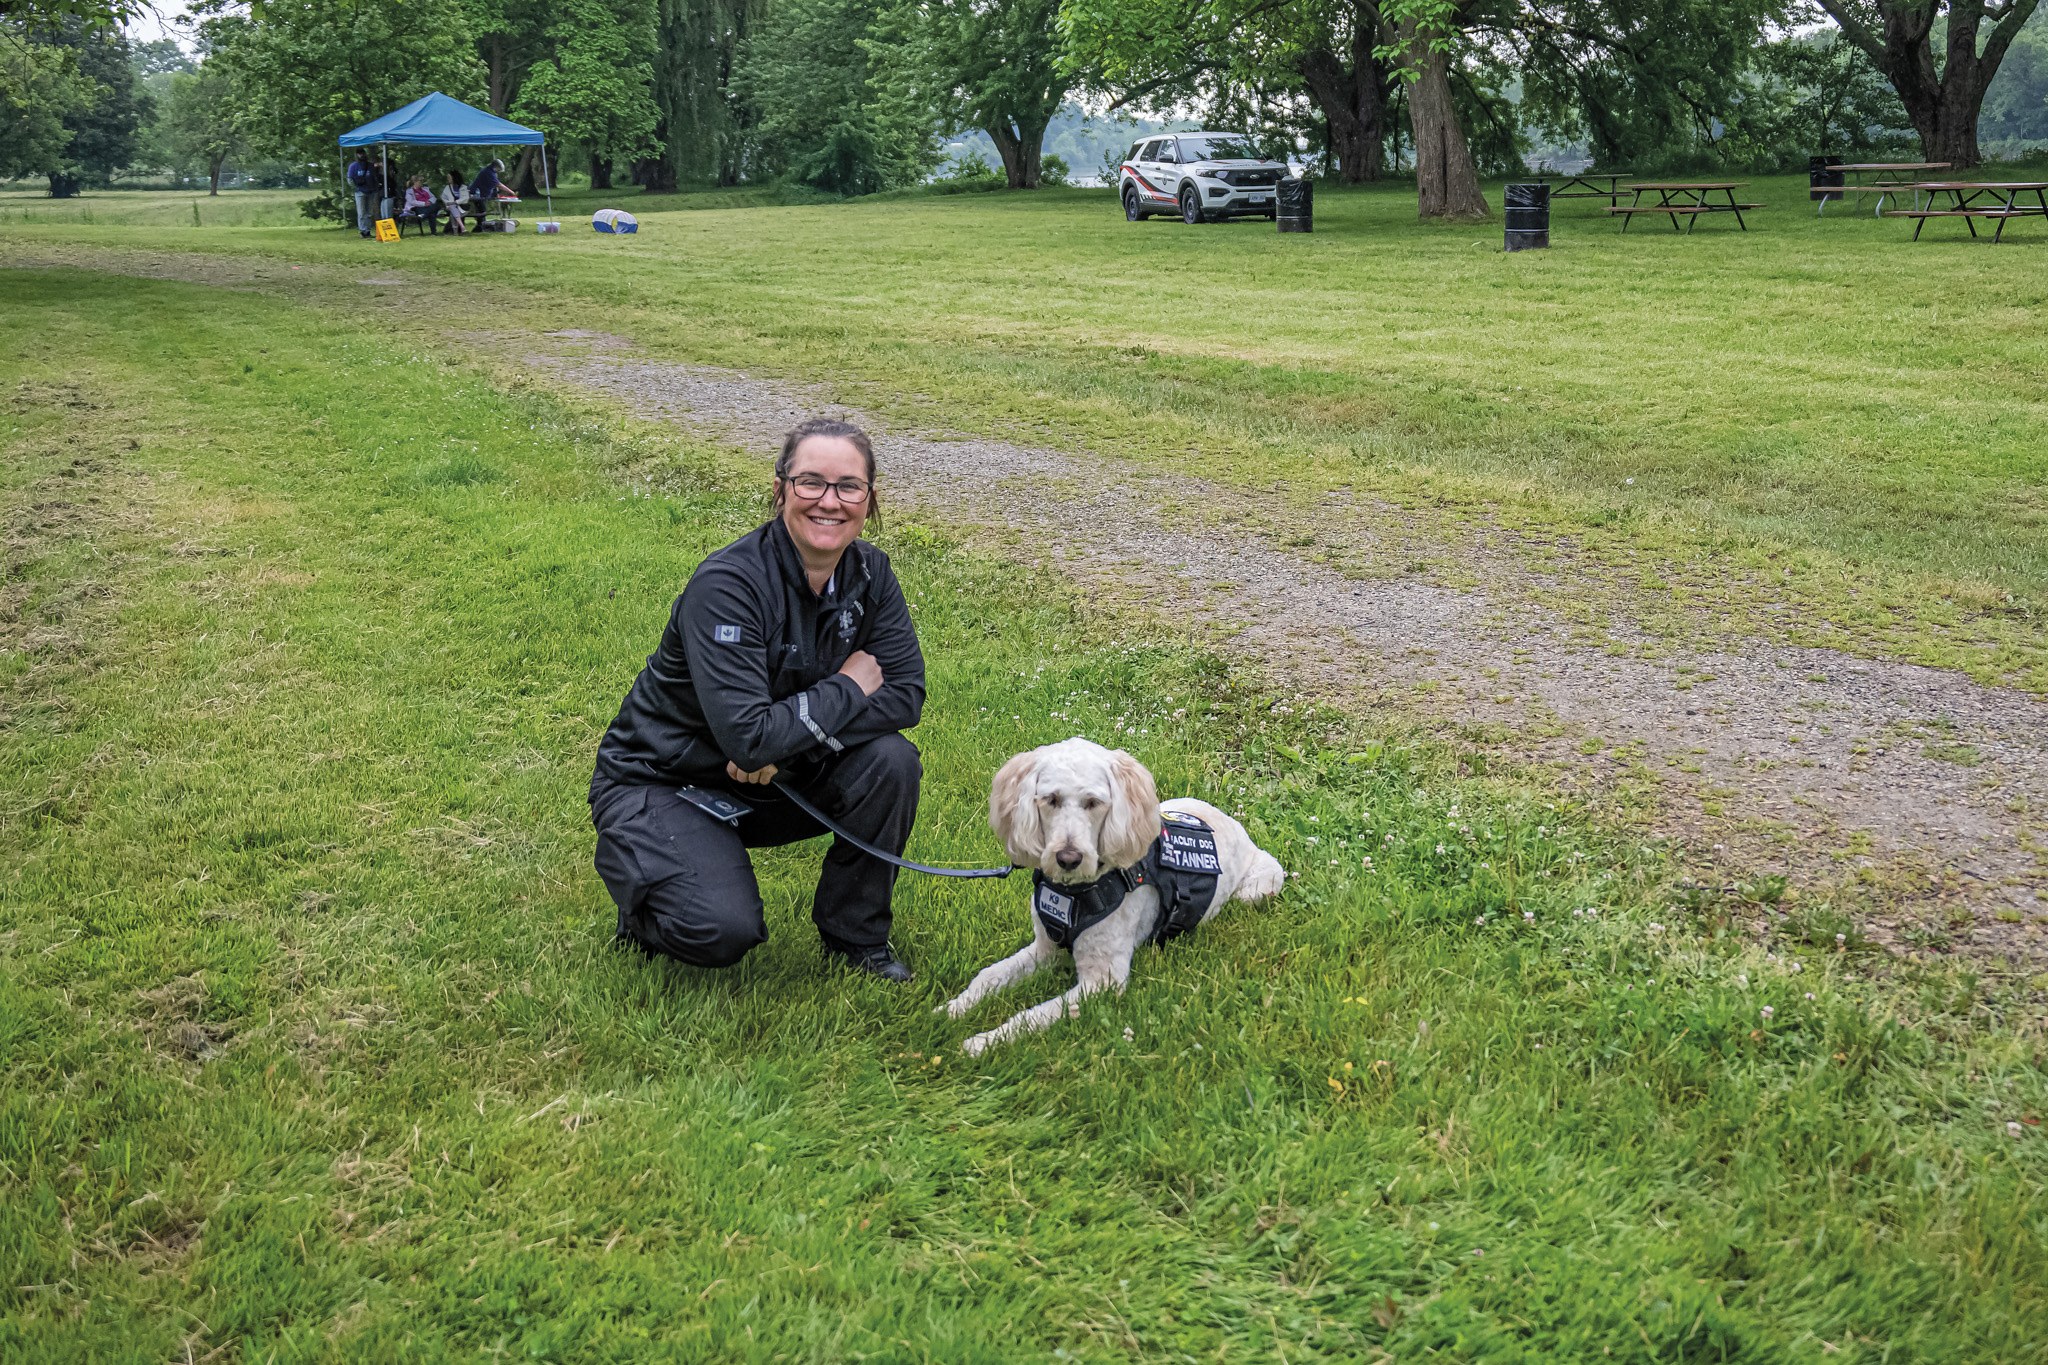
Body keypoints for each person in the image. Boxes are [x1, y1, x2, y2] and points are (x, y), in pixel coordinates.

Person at [589, 419, 926, 982]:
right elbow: (748, 738)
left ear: (869, 500)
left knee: (891, 762)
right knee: (720, 929)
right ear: (780, 490)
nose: (830, 501)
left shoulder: (872, 574)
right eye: (810, 482)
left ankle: (857, 942)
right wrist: (847, 686)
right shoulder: (728, 585)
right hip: (665, 779)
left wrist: (784, 746)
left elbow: (906, 695)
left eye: (849, 486)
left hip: (777, 775)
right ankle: (646, 897)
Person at [346, 150, 376, 238]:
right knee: (361, 213)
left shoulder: (370, 165)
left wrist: (375, 188)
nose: (361, 155)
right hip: (360, 192)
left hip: (370, 191)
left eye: (362, 153)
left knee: (369, 212)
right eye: (359, 154)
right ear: (356, 155)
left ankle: (368, 231)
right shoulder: (353, 166)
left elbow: (374, 177)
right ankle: (363, 231)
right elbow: (350, 179)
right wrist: (356, 189)